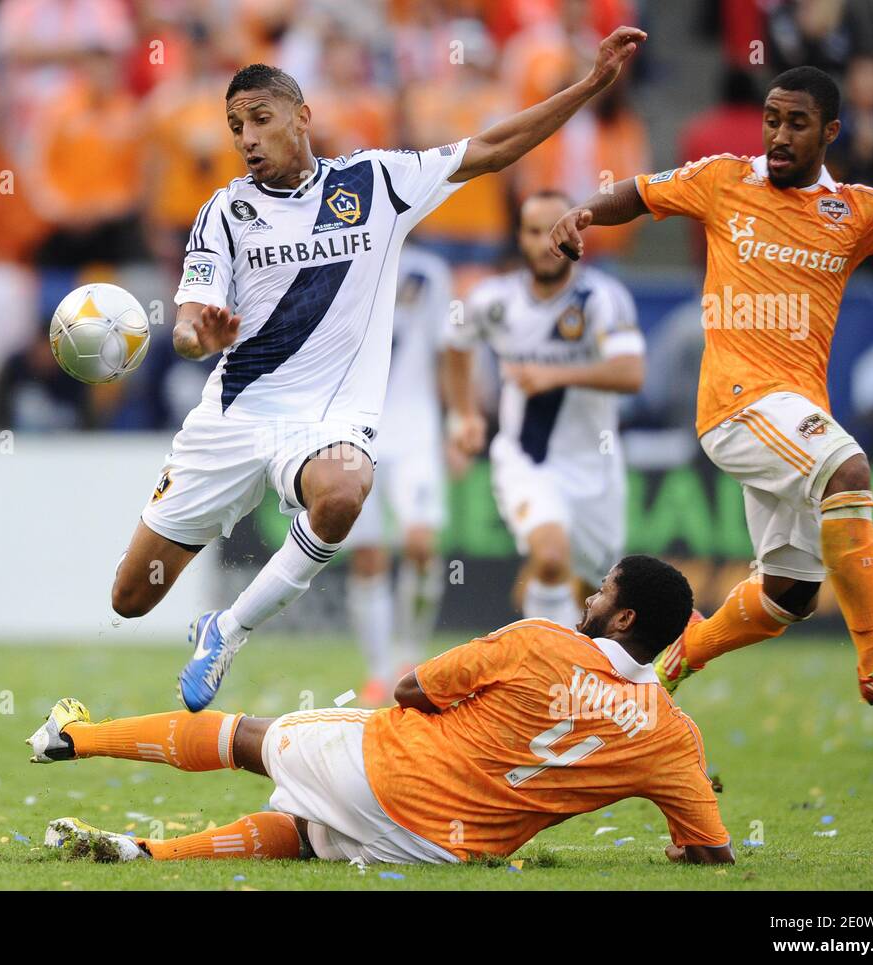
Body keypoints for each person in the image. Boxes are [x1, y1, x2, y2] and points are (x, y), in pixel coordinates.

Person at [109, 27, 648, 712]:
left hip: (328, 423)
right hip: (235, 416)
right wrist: (196, 334)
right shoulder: (226, 212)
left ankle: (229, 628)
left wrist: (590, 87)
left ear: (302, 117)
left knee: (342, 492)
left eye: (260, 119)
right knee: (132, 596)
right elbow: (189, 321)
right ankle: (210, 613)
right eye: (235, 126)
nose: (245, 138)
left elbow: (491, 149)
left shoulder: (376, 182)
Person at [549, 65, 873, 705]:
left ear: (831, 131)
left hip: (790, 412)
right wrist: (583, 213)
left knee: (788, 595)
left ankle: (676, 660)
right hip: (737, 404)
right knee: (847, 470)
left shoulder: (855, 211)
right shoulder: (723, 179)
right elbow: (639, 191)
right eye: (772, 120)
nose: (779, 135)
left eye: (797, 123)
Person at [28, 555, 733, 867]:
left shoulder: (538, 641)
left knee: (248, 737)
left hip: (389, 775)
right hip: (443, 852)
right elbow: (711, 850)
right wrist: (687, 843)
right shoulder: (672, 736)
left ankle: (74, 736)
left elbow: (411, 691)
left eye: (602, 592)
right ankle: (146, 853)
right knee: (309, 835)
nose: (589, 597)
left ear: (623, 617)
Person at [450, 189, 643, 628]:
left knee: (594, 593)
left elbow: (631, 373)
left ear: (576, 233)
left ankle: (563, 660)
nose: (545, 243)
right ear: (520, 238)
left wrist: (556, 375)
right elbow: (455, 346)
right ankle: (547, 678)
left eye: (554, 231)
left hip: (596, 468)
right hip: (526, 460)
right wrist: (464, 414)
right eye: (534, 232)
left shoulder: (601, 298)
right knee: (552, 558)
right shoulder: (492, 301)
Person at [346, 244, 456, 705]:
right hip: (356, 431)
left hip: (417, 433)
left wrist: (460, 421)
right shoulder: (344, 258)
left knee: (420, 546)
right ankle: (378, 672)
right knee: (368, 555)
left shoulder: (430, 270)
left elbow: (451, 349)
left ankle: (409, 654)